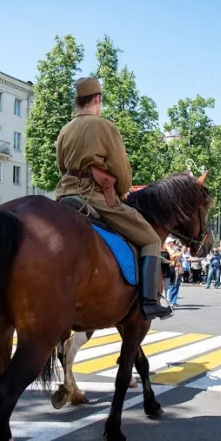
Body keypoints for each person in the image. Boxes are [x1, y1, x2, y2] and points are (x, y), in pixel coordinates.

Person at [53, 76, 172, 320]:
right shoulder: (104, 126)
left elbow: (61, 165)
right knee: (150, 239)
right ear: (97, 99)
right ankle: (149, 301)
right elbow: (122, 172)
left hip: (64, 197)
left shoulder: (65, 130)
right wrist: (121, 190)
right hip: (94, 198)